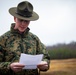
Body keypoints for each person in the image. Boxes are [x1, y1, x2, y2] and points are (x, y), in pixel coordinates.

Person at [0, 1, 50, 75]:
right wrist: (9, 66)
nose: (23, 24)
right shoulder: (3, 39)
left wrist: (45, 65)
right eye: (20, 20)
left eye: (26, 21)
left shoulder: (34, 39)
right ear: (14, 18)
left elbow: (45, 57)